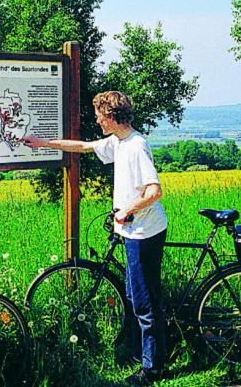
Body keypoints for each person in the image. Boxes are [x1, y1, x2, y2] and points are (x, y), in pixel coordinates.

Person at [23, 91, 167, 386]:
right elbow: (84, 147)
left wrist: (128, 209)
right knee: (134, 294)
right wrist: (43, 143)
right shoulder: (118, 142)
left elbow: (155, 192)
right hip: (131, 231)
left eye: (100, 115)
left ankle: (151, 369)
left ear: (112, 117)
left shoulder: (136, 146)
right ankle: (145, 354)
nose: (97, 120)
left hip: (143, 233)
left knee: (144, 302)